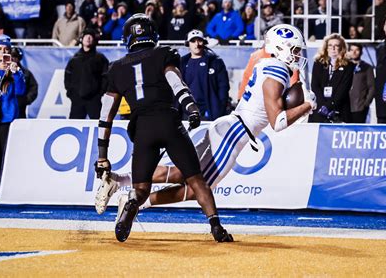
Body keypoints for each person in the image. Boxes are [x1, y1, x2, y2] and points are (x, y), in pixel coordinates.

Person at [95, 24, 316, 223]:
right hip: (235, 132)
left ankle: (119, 180)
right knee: (198, 188)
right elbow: (277, 121)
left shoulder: (267, 64)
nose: (297, 55)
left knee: (185, 174)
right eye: (294, 49)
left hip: (230, 126)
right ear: (281, 47)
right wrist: (308, 105)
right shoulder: (276, 69)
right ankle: (138, 202)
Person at [94, 14, 233, 243]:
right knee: (197, 180)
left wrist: (102, 157)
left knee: (141, 189)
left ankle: (132, 204)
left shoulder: (117, 68)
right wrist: (191, 107)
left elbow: (105, 115)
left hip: (143, 130)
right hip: (169, 122)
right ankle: (215, 225)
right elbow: (175, 82)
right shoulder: (164, 54)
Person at [0, 34, 25, 202]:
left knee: (7, 155)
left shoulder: (15, 69)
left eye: (6, 50)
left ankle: (6, 187)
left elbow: (21, 91)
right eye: (0, 49)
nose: (3, 52)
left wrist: (15, 74)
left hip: (7, 116)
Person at [180, 29, 229, 121]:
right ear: (188, 44)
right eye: (193, 41)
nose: (196, 44)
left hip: (210, 111)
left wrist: (220, 108)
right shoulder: (182, 63)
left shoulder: (215, 62)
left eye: (199, 40)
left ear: (204, 42)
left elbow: (223, 87)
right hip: (188, 111)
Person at [309, 33, 354, 123]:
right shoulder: (318, 63)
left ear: (342, 48)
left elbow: (344, 89)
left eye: (336, 45)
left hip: (339, 109)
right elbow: (315, 86)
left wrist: (329, 106)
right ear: (326, 47)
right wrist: (323, 106)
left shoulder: (348, 65)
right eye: (330, 45)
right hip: (320, 108)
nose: (333, 48)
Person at [64, 28, 109, 119]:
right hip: (77, 100)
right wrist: (72, 94)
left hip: (94, 99)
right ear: (82, 39)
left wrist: (100, 93)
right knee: (74, 125)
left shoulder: (100, 58)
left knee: (98, 126)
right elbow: (67, 77)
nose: (88, 38)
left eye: (91, 36)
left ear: (94, 40)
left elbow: (106, 76)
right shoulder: (74, 59)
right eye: (86, 36)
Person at [347, 43, 375, 123]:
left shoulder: (366, 67)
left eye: (357, 50)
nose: (354, 52)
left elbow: (372, 87)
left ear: (361, 52)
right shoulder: (344, 65)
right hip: (345, 107)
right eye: (352, 50)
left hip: (359, 107)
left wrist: (366, 104)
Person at [10, 47, 38, 118]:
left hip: (20, 109)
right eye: (11, 56)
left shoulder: (26, 73)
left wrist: (25, 99)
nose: (13, 59)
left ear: (19, 58)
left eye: (15, 56)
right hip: (5, 107)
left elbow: (33, 87)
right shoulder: (2, 71)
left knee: (19, 127)